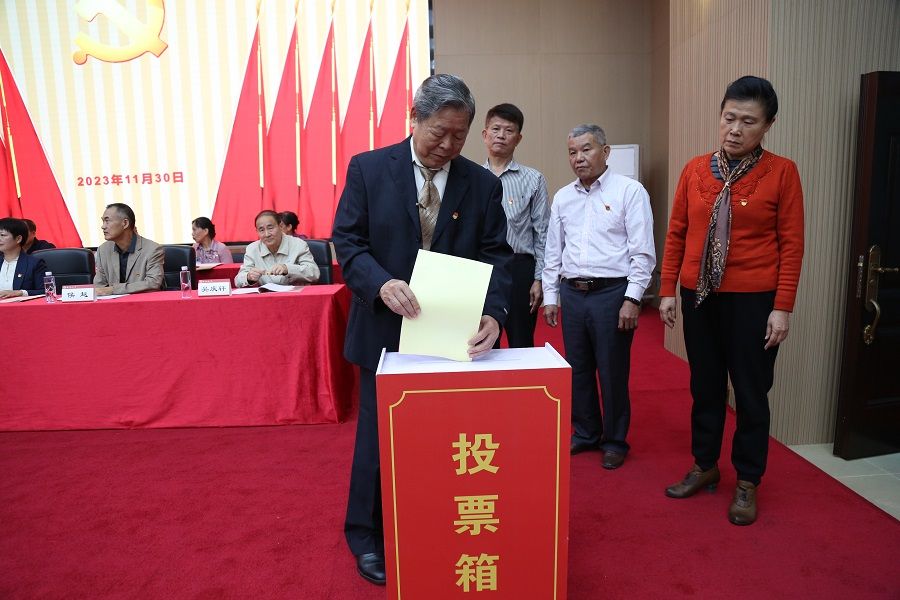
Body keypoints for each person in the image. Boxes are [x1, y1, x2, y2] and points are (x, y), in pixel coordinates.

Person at [331, 73, 513, 586]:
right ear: (415, 119)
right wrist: (380, 283)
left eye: (460, 135)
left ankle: (436, 523)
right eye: (439, 132)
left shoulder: (482, 184)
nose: (449, 145)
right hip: (384, 331)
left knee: (445, 438)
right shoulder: (369, 169)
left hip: (453, 334)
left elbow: (497, 256)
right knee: (377, 439)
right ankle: (367, 536)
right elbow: (348, 241)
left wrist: (495, 314)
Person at [659, 76, 804, 526]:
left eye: (748, 121)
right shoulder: (695, 170)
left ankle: (747, 481)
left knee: (750, 391)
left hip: (754, 301)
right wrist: (666, 290)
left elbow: (792, 244)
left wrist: (782, 307)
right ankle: (704, 465)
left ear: (768, 125)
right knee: (704, 385)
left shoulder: (782, 172)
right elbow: (677, 232)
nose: (735, 129)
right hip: (699, 297)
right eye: (729, 118)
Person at [542, 124, 656, 471]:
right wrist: (551, 295)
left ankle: (615, 440)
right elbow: (553, 251)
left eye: (586, 149)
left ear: (606, 152)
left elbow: (642, 251)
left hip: (612, 293)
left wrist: (633, 298)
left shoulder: (630, 191)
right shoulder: (563, 197)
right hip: (573, 293)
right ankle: (586, 432)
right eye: (572, 152)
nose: (579, 158)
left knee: (611, 370)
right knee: (577, 369)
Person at [481, 103, 550, 348]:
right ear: (485, 134)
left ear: (518, 138)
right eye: (496, 129)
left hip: (520, 269)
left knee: (522, 342)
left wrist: (539, 278)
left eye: (509, 130)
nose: (501, 135)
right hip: (482, 268)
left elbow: (542, 232)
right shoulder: (472, 178)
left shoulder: (533, 179)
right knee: (483, 343)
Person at [94, 203, 164, 295]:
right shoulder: (103, 250)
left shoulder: (152, 249)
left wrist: (113, 290)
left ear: (125, 223)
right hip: (111, 303)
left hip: (142, 302)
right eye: (103, 221)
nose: (103, 226)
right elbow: (99, 287)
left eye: (107, 221)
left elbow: (153, 283)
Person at [234, 210, 318, 287]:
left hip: (296, 295)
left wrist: (288, 269)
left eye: (270, 228)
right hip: (267, 295)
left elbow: (314, 273)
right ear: (257, 232)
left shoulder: (298, 244)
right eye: (261, 230)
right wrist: (248, 277)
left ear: (280, 226)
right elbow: (238, 280)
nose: (267, 234)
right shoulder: (252, 249)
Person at [0, 218, 47, 298]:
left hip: (21, 305)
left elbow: (45, 291)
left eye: (2, 235)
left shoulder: (34, 264)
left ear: (18, 239)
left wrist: (20, 293)